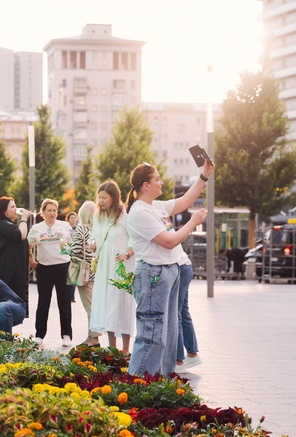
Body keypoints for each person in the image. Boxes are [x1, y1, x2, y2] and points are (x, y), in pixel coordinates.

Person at [126, 160, 213, 377]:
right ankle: (137, 384)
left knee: (169, 334)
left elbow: (186, 200)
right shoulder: (140, 212)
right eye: (157, 179)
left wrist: (204, 175)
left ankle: (161, 381)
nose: (161, 182)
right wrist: (192, 223)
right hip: (153, 275)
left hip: (169, 272)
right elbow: (168, 241)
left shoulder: (155, 206)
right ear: (146, 185)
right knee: (152, 335)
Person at [90, 181, 136, 352]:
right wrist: (93, 243)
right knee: (108, 306)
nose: (101, 201)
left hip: (120, 266)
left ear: (113, 197)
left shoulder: (124, 214)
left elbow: (135, 239)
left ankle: (125, 349)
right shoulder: (98, 216)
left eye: (104, 197)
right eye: (99, 197)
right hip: (104, 268)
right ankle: (112, 350)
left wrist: (128, 254)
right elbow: (94, 235)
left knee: (122, 305)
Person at [28, 198, 74, 346]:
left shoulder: (64, 225)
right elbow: (27, 247)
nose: (52, 213)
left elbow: (71, 244)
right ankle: (39, 334)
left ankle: (66, 335)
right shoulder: (37, 228)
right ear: (43, 212)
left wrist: (68, 245)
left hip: (63, 267)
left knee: (64, 302)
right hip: (44, 269)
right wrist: (31, 262)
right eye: (49, 210)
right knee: (43, 303)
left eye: (54, 210)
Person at [68, 201, 100, 347]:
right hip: (96, 272)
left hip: (84, 273)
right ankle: (90, 337)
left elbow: (74, 252)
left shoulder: (81, 229)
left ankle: (94, 340)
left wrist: (65, 247)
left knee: (90, 307)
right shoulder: (97, 229)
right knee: (93, 305)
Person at [0, 197, 30, 307]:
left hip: (12, 273)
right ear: (4, 211)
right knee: (7, 306)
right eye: (12, 207)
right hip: (6, 273)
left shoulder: (8, 224)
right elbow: (21, 235)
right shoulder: (3, 224)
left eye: (15, 206)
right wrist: (24, 219)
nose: (15, 209)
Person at [175, 251, 202, 373]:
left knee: (175, 314)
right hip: (184, 266)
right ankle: (192, 354)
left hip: (179, 268)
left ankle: (178, 361)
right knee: (182, 312)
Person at [67, 212, 78, 303]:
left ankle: (72, 296)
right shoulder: (66, 230)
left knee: (74, 276)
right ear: (68, 219)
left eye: (74, 218)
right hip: (67, 254)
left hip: (75, 255)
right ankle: (68, 296)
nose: (73, 219)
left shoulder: (78, 230)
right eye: (71, 218)